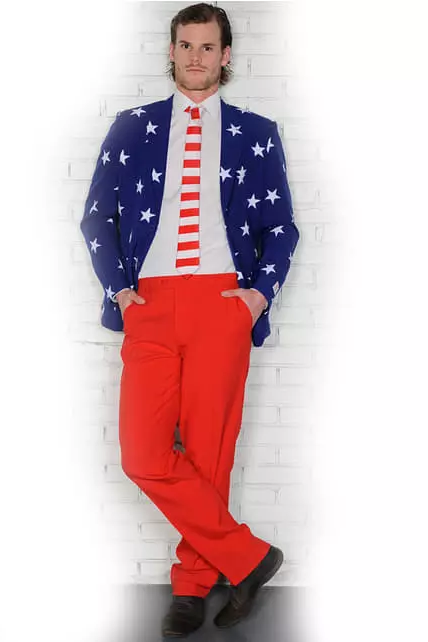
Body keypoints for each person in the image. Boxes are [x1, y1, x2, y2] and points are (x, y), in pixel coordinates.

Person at [80, 2, 299, 637]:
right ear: (171, 51)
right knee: (143, 454)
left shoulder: (256, 132)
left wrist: (257, 297)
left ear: (225, 55)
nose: (196, 57)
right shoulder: (132, 128)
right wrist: (121, 292)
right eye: (186, 45)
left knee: (210, 453)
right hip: (149, 305)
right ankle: (250, 558)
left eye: (208, 46)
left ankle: (192, 586)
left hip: (221, 304)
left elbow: (281, 227)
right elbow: (97, 217)